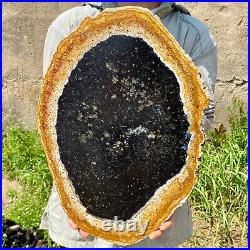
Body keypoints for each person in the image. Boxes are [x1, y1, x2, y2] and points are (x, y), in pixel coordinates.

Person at [40, 2, 217, 248]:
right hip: (80, 221)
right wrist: (74, 197)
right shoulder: (69, 24)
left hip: (156, 220)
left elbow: (199, 123)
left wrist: (168, 199)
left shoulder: (191, 33)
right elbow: (54, 118)